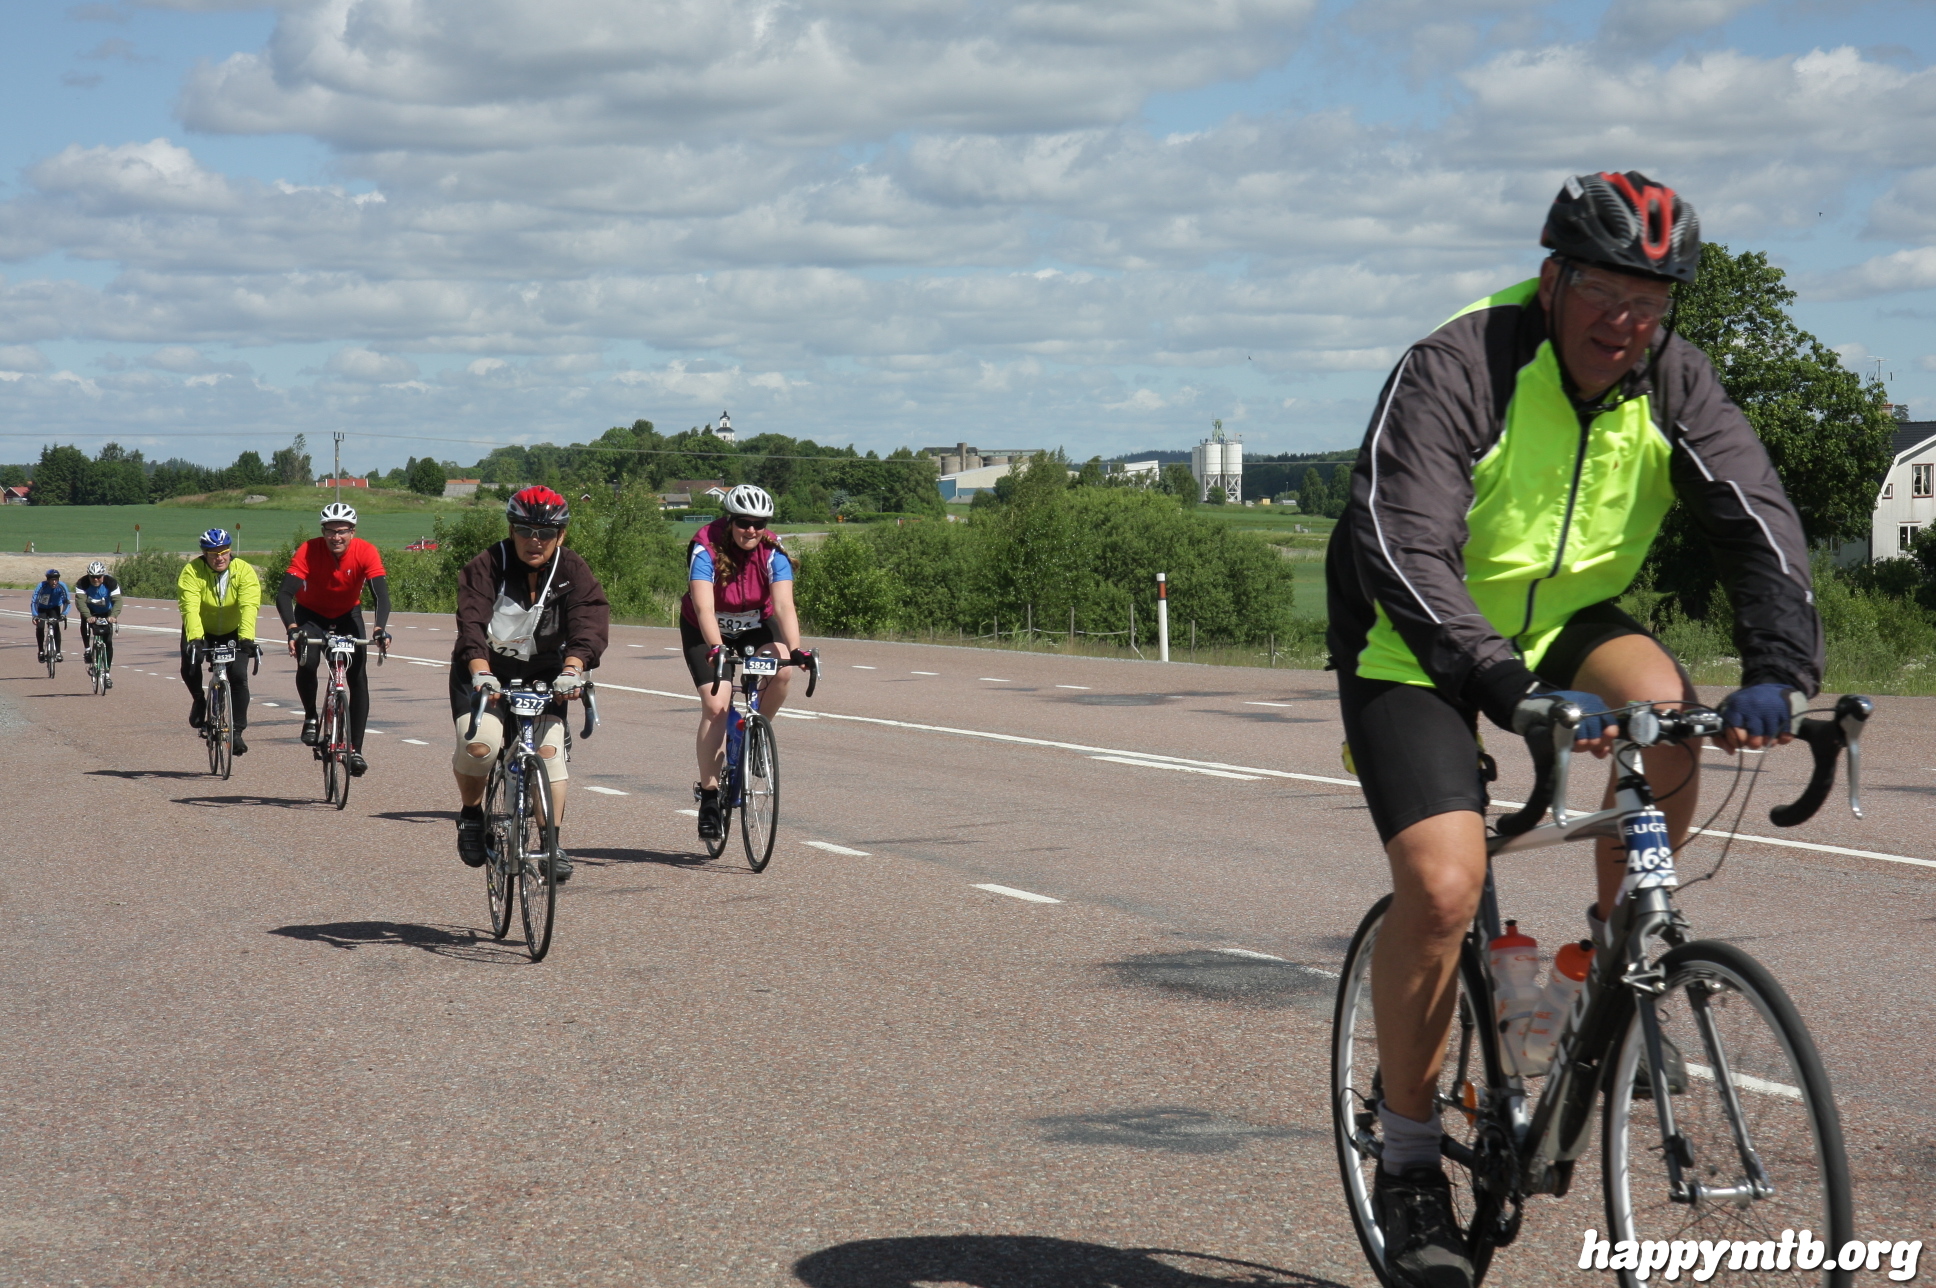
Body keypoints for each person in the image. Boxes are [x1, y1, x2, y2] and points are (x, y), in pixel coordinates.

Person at [1325, 171, 1820, 1288]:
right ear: (1552, 280)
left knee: (1669, 713)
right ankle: (1409, 1159)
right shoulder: (1458, 365)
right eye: (1603, 290)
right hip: (1414, 634)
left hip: (1563, 619)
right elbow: (1402, 542)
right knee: (1444, 886)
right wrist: (1500, 685)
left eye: (1651, 301)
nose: (1625, 321)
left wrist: (1780, 673)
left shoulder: (1674, 379)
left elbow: (1757, 521)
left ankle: (1610, 968)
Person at [450, 487, 608, 883]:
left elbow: (588, 622)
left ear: (561, 535)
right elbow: (471, 624)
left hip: (545, 673)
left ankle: (551, 842)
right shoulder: (488, 565)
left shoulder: (572, 570)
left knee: (549, 752)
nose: (534, 541)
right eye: (524, 530)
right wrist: (481, 672)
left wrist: (573, 669)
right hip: (484, 669)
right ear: (511, 530)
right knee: (480, 745)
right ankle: (471, 815)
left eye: (545, 533)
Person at [680, 483, 809, 842]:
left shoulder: (772, 551)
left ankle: (755, 735)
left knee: (782, 668)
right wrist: (716, 647)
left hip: (754, 625)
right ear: (730, 520)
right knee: (716, 705)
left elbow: (783, 606)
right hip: (705, 629)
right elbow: (704, 607)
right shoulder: (705, 546)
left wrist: (796, 650)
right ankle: (709, 798)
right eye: (743, 522)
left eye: (759, 523)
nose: (751, 530)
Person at [278, 501, 392, 776]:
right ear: (323, 532)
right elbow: (284, 594)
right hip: (311, 615)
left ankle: (356, 750)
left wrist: (379, 629)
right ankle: (310, 716)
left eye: (342, 531)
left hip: (347, 615)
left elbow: (381, 595)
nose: (336, 537)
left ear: (352, 531)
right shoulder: (308, 550)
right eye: (330, 531)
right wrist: (292, 628)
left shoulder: (366, 551)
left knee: (358, 677)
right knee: (308, 661)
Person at [178, 528, 263, 755]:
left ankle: (237, 732)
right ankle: (199, 699)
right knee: (190, 665)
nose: (219, 558)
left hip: (234, 631)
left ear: (230, 551)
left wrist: (247, 638)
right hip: (201, 629)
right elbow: (190, 607)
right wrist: (195, 638)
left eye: (224, 552)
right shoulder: (192, 571)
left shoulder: (243, 570)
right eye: (213, 553)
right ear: (204, 553)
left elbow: (249, 606)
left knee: (238, 677)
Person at [75, 561, 123, 686]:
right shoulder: (82, 583)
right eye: (93, 577)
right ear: (89, 576)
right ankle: (87, 649)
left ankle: (107, 674)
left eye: (98, 577)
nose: (96, 579)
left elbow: (118, 601)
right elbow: (80, 602)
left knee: (108, 641)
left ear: (103, 575)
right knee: (84, 621)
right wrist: (88, 616)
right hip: (90, 612)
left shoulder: (111, 583)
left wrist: (113, 616)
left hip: (106, 612)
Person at [30, 569, 72, 663]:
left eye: (56, 580)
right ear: (48, 580)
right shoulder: (42, 586)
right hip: (42, 608)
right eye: (52, 580)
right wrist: (35, 615)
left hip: (54, 608)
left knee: (55, 626)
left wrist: (64, 614)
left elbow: (67, 601)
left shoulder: (62, 586)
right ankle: (41, 651)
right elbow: (34, 601)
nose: (54, 582)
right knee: (40, 627)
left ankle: (58, 652)